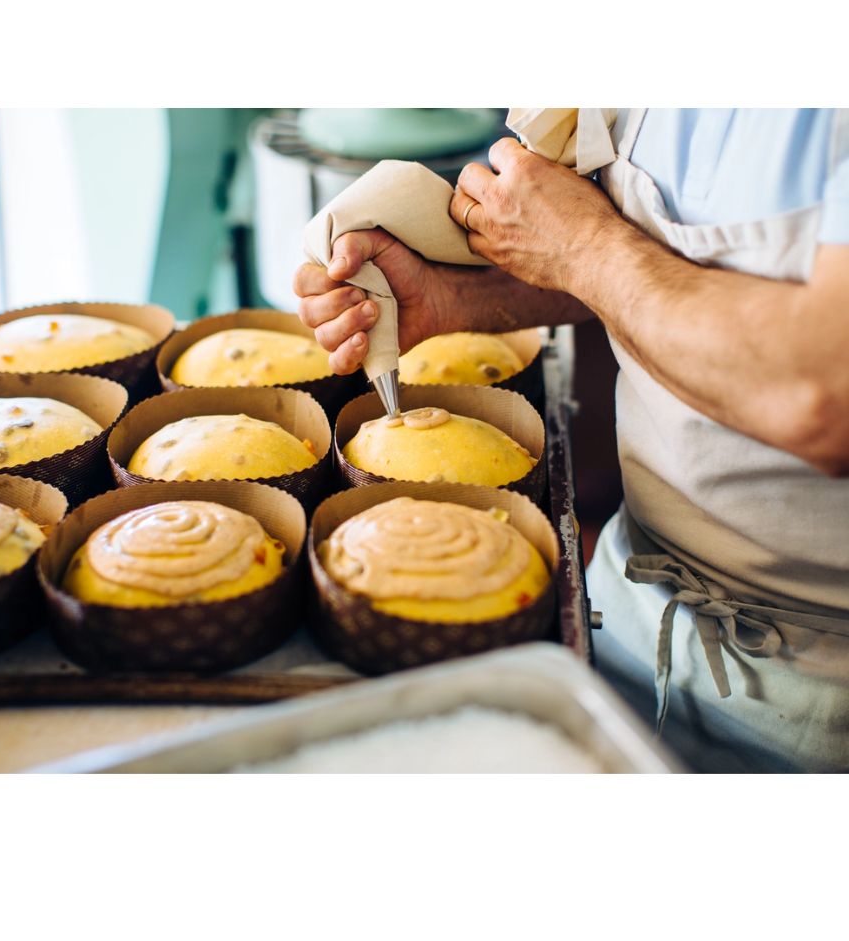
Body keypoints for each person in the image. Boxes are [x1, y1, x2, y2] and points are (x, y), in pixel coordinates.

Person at [293, 109, 849, 773]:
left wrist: (581, 247)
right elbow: (673, 268)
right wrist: (451, 299)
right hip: (627, 597)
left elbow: (824, 393)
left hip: (818, 694)